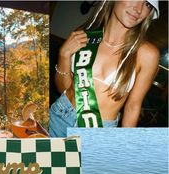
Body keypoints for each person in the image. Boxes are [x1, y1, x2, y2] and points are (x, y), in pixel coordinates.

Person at [49, 0, 160, 136]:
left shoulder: (147, 54)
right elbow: (64, 89)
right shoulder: (85, 36)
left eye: (148, 4)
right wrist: (63, 55)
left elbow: (132, 107)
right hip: (58, 117)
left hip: (99, 132)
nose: (138, 9)